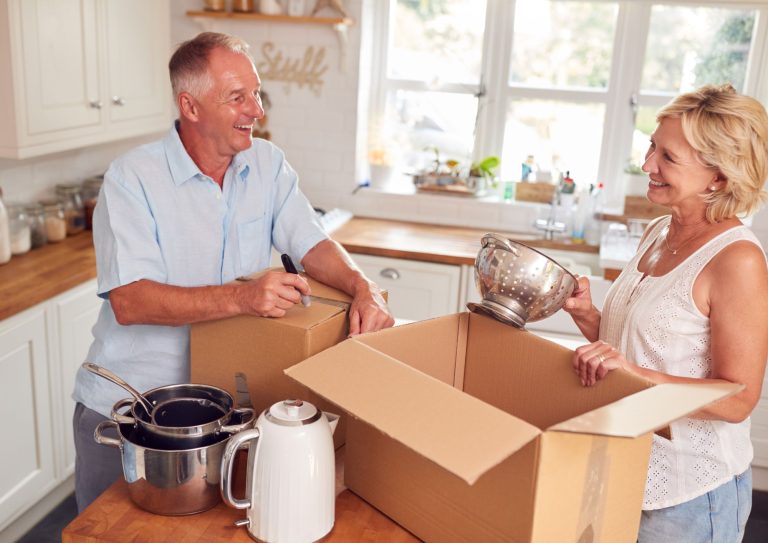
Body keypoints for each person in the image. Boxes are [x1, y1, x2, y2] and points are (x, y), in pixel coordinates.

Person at [71, 31, 394, 512]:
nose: (256, 110)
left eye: (256, 93)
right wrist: (243, 297)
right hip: (134, 413)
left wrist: (364, 287)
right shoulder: (131, 179)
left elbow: (312, 243)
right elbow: (130, 301)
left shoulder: (267, 164)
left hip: (223, 416)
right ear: (192, 106)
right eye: (237, 97)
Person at [563, 84, 768, 542]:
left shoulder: (738, 260)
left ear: (718, 177)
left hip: (689, 493)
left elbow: (738, 399)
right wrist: (588, 317)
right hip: (625, 467)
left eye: (668, 158)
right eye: (652, 146)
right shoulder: (659, 230)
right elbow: (645, 350)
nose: (647, 164)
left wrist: (633, 372)